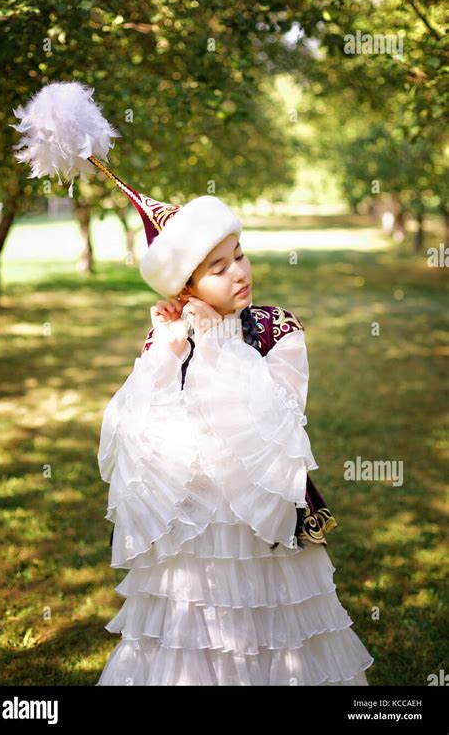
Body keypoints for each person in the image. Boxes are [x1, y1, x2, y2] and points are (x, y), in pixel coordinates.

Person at [96, 191, 374, 685]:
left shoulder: (274, 330)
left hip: (261, 516)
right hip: (195, 524)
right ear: (185, 287)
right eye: (218, 268)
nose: (239, 273)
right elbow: (134, 442)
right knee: (197, 620)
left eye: (239, 255)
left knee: (273, 620)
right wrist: (165, 357)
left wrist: (220, 349)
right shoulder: (168, 338)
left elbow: (281, 420)